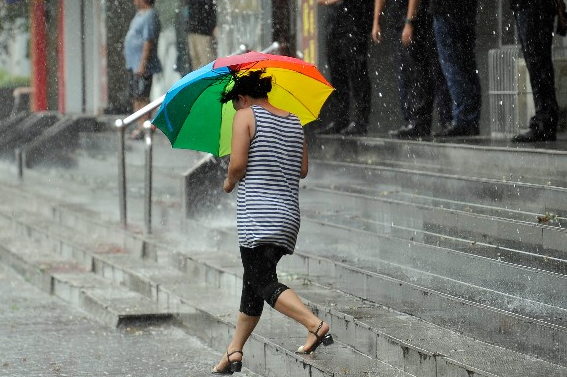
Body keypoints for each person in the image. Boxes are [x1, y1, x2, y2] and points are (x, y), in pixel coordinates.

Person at [212, 70, 333, 374]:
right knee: (253, 282)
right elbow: (302, 169)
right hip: (287, 217)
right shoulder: (293, 119)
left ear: (242, 98)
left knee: (263, 281)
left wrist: (228, 181)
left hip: (257, 217)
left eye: (236, 103)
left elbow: (238, 164)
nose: (237, 110)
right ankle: (234, 351)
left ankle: (314, 324)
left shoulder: (246, 116)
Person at [373, 0, 452, 139]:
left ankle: (421, 121)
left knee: (418, 72)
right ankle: (414, 120)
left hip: (412, 20)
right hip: (399, 19)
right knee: (407, 73)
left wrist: (410, 21)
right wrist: (376, 21)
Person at [317, 0, 373, 136]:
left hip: (355, 19)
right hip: (335, 21)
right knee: (336, 72)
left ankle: (361, 121)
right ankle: (340, 119)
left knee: (357, 72)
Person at [510, 0, 560, 142]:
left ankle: (545, 119)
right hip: (529, 6)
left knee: (537, 61)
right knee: (536, 61)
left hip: (532, 6)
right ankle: (545, 119)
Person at [429, 0, 481, 137]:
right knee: (465, 66)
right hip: (464, 10)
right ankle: (468, 119)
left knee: (454, 67)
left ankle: (463, 119)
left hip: (447, 11)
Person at [123, 0, 162, 140]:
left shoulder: (150, 15)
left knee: (142, 95)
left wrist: (143, 64)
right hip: (133, 63)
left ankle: (145, 126)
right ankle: (140, 125)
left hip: (142, 65)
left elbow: (148, 41)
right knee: (136, 95)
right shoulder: (140, 14)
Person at [185, 0, 217, 70]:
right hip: (193, 30)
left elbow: (212, 10)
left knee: (206, 62)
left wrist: (210, 28)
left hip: (203, 32)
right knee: (196, 62)